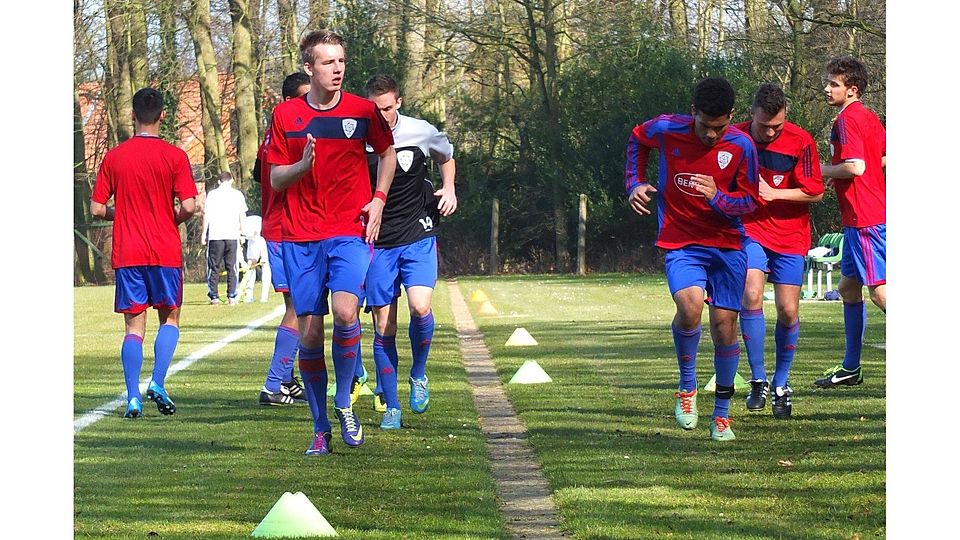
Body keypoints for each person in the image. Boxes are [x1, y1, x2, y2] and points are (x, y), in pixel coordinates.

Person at [266, 30, 397, 455]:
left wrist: (378, 200)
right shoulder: (285, 115)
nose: (337, 69)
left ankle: (344, 402)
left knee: (345, 312)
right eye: (327, 62)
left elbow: (387, 153)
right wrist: (300, 167)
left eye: (340, 61)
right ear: (309, 67)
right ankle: (320, 427)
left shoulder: (363, 110)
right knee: (308, 336)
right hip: (301, 236)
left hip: (349, 231)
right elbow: (274, 178)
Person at [625, 76, 760, 441]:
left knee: (724, 327)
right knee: (689, 308)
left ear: (731, 116)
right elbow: (638, 138)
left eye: (720, 127)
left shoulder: (743, 146)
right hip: (682, 241)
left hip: (728, 244)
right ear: (693, 112)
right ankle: (687, 389)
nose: (712, 135)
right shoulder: (668, 128)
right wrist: (634, 182)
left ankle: (721, 415)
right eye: (705, 126)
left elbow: (749, 201)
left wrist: (718, 196)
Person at [90, 87, 198, 418]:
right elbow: (190, 206)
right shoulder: (175, 156)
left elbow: (96, 209)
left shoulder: (115, 157)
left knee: (134, 328)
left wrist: (119, 213)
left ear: (133, 116)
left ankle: (133, 396)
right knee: (170, 317)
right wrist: (171, 217)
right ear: (162, 116)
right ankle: (159, 383)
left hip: (129, 252)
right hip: (165, 250)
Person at [363, 74, 457, 429]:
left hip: (418, 232)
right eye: (376, 108)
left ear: (398, 103)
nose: (383, 115)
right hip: (377, 241)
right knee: (383, 327)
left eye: (388, 108)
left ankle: (419, 373)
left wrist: (449, 188)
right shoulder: (358, 136)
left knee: (420, 307)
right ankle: (392, 405)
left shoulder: (420, 131)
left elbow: (446, 156)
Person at [734, 84, 824, 418]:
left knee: (788, 310)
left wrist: (776, 195)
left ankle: (781, 383)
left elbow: (815, 193)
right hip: (750, 230)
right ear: (750, 115)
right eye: (764, 126)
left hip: (790, 236)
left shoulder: (801, 141)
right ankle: (758, 378)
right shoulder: (735, 137)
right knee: (751, 293)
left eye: (777, 126)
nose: (770, 132)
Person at [813, 56, 886, 389]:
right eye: (828, 82)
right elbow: (882, 158)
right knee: (847, 288)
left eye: (834, 84)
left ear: (852, 90)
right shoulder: (867, 117)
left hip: (866, 218)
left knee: (881, 292)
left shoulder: (848, 120)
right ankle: (851, 368)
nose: (827, 88)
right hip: (859, 217)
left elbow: (855, 167)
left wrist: (819, 171)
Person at [253, 72, 311, 407]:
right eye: (305, 97)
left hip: (285, 228)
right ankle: (273, 384)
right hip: (286, 230)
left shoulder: (271, 136)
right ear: (290, 101)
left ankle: (287, 380)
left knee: (304, 307)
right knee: (298, 308)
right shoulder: (289, 132)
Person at [201, 172, 248, 305]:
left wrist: (204, 234)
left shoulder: (212, 195)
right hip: (232, 235)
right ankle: (231, 296)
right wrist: (243, 233)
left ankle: (214, 296)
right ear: (231, 180)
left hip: (216, 235)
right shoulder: (237, 195)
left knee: (213, 267)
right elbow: (242, 216)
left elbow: (207, 215)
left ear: (219, 181)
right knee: (232, 267)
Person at [239, 214, 270, 304]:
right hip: (252, 241)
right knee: (250, 267)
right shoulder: (239, 230)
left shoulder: (251, 223)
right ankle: (249, 295)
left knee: (265, 265)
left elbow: (256, 232)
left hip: (261, 239)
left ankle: (264, 296)